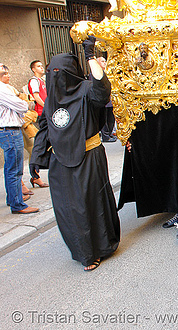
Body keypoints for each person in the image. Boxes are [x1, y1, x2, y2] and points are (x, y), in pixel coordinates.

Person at [30, 37, 120, 272]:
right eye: (51, 71)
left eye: (59, 71)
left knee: (90, 205)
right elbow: (44, 128)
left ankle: (99, 248)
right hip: (61, 162)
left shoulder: (86, 91)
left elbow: (103, 89)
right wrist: (36, 157)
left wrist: (90, 56)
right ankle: (83, 252)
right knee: (68, 210)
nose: (55, 76)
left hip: (88, 158)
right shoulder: (51, 99)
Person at [0, 63, 39, 214]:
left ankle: (13, 199)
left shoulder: (5, 88)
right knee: (14, 169)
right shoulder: (2, 89)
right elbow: (22, 106)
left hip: (9, 130)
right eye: (4, 72)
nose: (7, 74)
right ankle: (17, 204)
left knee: (12, 168)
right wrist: (24, 103)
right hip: (9, 131)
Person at [27, 60, 49, 188]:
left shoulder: (43, 81)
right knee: (40, 144)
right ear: (33, 69)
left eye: (42, 66)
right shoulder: (34, 81)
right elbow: (36, 96)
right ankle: (35, 175)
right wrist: (46, 107)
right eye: (39, 66)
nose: (41, 68)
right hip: (41, 114)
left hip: (44, 113)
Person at [96, 57, 117, 143]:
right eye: (102, 61)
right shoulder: (96, 73)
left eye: (105, 61)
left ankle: (110, 133)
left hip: (111, 99)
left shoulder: (109, 72)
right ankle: (106, 136)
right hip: (103, 100)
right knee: (104, 118)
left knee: (111, 118)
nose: (105, 63)